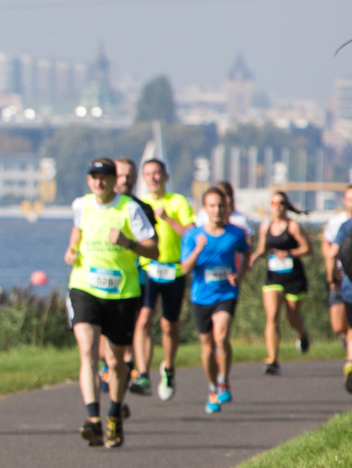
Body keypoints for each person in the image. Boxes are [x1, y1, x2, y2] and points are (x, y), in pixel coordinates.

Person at [65, 157, 158, 449]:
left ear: (114, 179)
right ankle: (93, 420)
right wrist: (70, 250)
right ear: (88, 180)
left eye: (104, 176)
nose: (98, 182)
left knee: (116, 361)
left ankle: (114, 413)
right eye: (93, 176)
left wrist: (128, 243)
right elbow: (77, 234)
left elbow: (154, 249)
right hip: (84, 287)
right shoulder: (81, 206)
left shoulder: (129, 209)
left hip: (122, 292)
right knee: (88, 351)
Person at [180, 187, 251, 413]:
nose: (217, 210)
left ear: (227, 208)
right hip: (201, 296)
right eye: (212, 206)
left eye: (221, 206)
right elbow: (184, 269)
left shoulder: (236, 233)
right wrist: (198, 249)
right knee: (207, 346)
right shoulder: (193, 236)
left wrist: (240, 274)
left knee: (221, 337)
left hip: (226, 293)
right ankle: (212, 388)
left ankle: (223, 380)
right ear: (205, 209)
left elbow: (247, 253)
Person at [131, 158, 194, 400]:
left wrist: (167, 218)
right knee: (144, 319)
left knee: (169, 325)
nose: (153, 178)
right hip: (149, 269)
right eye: (148, 174)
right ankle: (143, 373)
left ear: (165, 176)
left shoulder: (177, 201)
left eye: (157, 173)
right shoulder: (139, 204)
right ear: (144, 179)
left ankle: (168, 368)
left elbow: (191, 233)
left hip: (174, 270)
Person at [254, 190, 311, 374]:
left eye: (281, 204)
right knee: (272, 317)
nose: (277, 207)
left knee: (292, 318)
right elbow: (262, 249)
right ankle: (273, 359)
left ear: (286, 207)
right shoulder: (266, 227)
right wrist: (254, 257)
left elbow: (308, 249)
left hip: (294, 277)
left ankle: (302, 333)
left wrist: (290, 253)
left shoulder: (293, 226)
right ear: (270, 206)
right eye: (274, 203)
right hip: (274, 277)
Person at [321, 185, 352, 391]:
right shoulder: (342, 225)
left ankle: (350, 365)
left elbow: (333, 253)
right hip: (346, 283)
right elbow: (330, 251)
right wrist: (331, 277)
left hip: (347, 283)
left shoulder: (346, 228)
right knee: (341, 327)